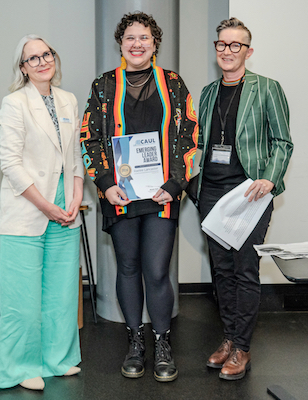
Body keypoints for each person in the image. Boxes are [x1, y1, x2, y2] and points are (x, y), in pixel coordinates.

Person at [80, 12, 198, 382]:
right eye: (130, 37)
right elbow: (89, 138)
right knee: (128, 267)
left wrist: (176, 185)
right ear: (120, 43)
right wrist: (103, 182)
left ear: (154, 43)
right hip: (119, 193)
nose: (136, 44)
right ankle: (135, 341)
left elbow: (190, 135)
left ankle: (162, 343)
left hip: (162, 195)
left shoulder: (174, 84)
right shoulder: (103, 85)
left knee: (157, 270)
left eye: (144, 37)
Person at [196, 18, 293, 380]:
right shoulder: (207, 93)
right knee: (221, 272)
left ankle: (243, 348)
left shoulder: (267, 88)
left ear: (248, 51)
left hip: (250, 193)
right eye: (221, 44)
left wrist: (270, 177)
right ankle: (230, 338)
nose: (227, 51)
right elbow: (200, 143)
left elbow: (283, 141)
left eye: (235, 45)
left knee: (244, 271)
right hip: (211, 193)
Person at [0, 34, 84, 390]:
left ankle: (57, 359)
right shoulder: (14, 103)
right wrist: (47, 206)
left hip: (65, 203)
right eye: (33, 58)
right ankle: (17, 368)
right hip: (28, 206)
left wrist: (76, 195)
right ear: (23, 67)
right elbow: (10, 164)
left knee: (62, 292)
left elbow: (75, 156)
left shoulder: (68, 100)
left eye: (47, 54)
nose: (43, 61)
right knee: (23, 300)